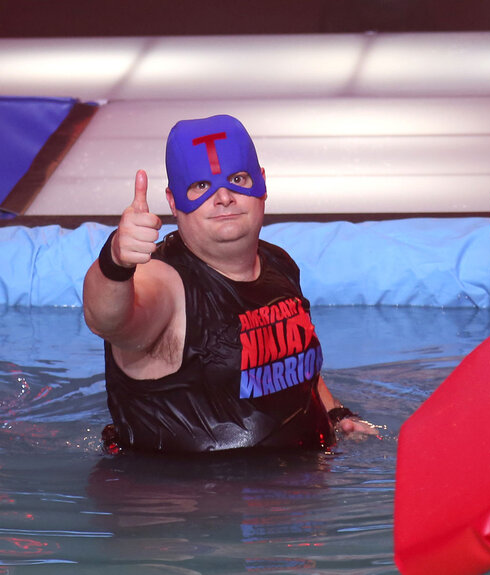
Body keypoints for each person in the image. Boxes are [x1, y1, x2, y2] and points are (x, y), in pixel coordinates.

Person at [83, 114, 374, 453]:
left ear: (262, 184)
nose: (224, 197)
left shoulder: (278, 264)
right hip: (191, 498)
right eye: (202, 186)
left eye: (237, 178)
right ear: (174, 202)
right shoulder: (164, 283)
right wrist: (116, 261)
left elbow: (289, 357)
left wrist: (335, 413)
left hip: (295, 493)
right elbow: (107, 320)